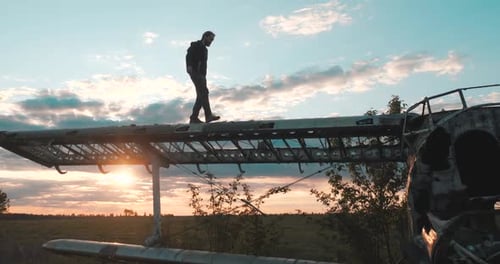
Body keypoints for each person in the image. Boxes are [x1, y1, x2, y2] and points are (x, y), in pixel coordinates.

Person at [186, 31, 220, 124]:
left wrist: (204, 75)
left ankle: (197, 117)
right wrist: (189, 66)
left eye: (212, 40)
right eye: (211, 39)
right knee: (204, 92)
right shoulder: (196, 45)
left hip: (202, 74)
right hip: (195, 72)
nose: (211, 42)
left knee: (201, 94)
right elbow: (189, 55)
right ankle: (204, 116)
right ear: (205, 37)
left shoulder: (205, 50)